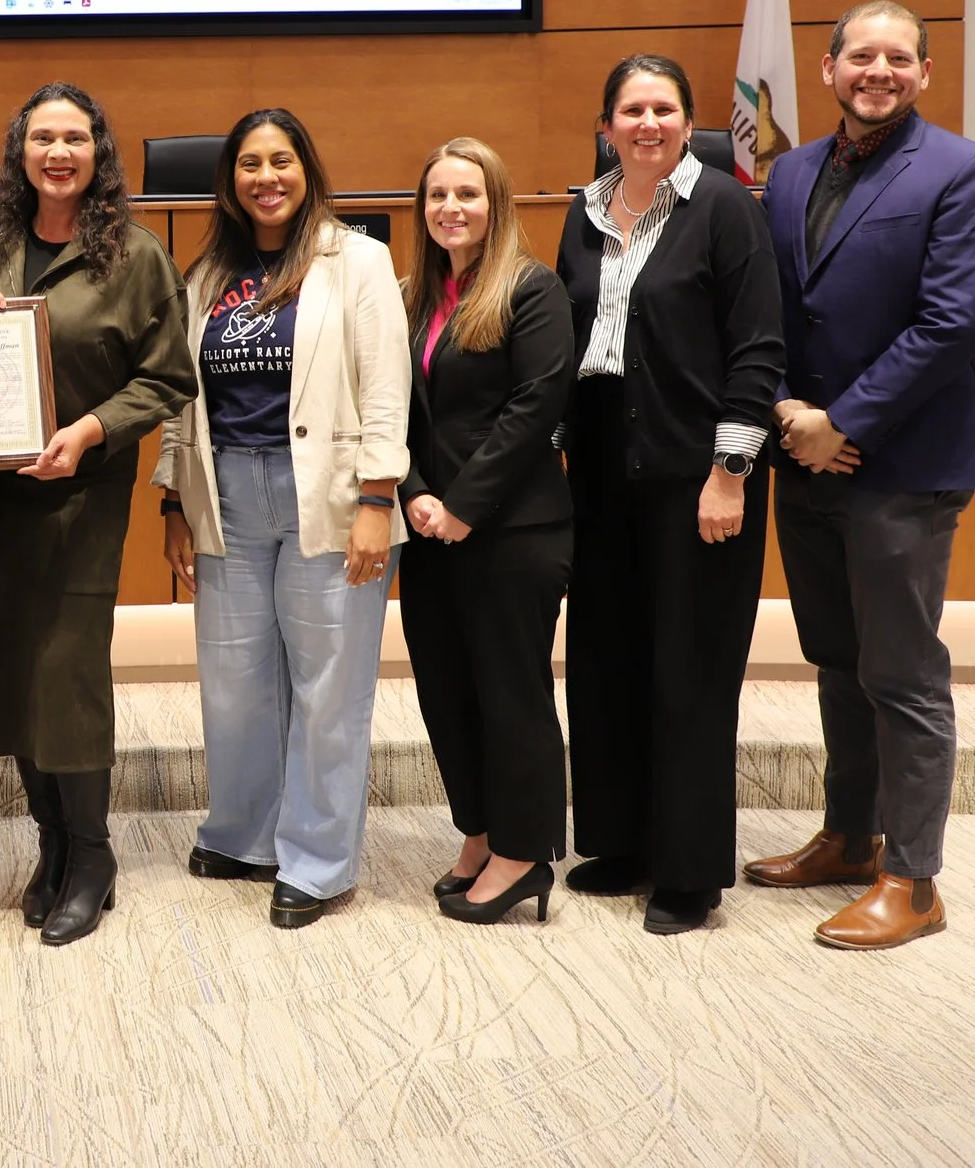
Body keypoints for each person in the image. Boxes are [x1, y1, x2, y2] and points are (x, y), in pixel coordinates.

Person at [747, 0, 975, 949]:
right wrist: (788, 411)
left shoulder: (965, 171)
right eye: (862, 55)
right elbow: (763, 306)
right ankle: (851, 836)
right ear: (828, 68)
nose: (879, 70)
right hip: (806, 458)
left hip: (901, 463)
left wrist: (842, 421)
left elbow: (953, 323)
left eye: (899, 57)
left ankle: (915, 877)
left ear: (924, 73)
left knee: (901, 672)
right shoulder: (787, 175)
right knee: (836, 660)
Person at [0, 82, 198, 945]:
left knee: (70, 674)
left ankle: (92, 853)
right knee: (17, 671)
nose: (58, 153)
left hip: (83, 497)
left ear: (99, 154)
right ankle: (50, 842)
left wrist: (92, 429)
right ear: (21, 152)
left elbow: (168, 377)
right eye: (42, 138)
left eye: (75, 139)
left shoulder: (133, 256)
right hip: (2, 498)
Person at [155, 109, 408, 930]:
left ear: (307, 168)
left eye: (281, 161)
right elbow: (177, 397)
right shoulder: (204, 276)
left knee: (328, 685)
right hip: (225, 492)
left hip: (329, 497)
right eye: (249, 164)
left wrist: (377, 499)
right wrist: (173, 500)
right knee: (234, 681)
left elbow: (384, 388)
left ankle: (320, 860)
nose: (266, 177)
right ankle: (244, 832)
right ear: (230, 180)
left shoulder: (358, 260)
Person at [557, 57, 786, 935]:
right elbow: (568, 337)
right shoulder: (584, 211)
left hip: (700, 471)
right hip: (605, 466)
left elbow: (759, 348)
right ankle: (623, 842)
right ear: (606, 122)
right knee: (608, 657)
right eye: (630, 109)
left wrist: (731, 472)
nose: (646, 122)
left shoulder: (726, 209)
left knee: (690, 670)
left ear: (688, 121)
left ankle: (689, 873)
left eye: (663, 108)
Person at [395, 138, 576, 927]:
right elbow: (387, 410)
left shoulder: (533, 291)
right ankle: (478, 831)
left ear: (495, 204)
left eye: (467, 193)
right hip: (429, 530)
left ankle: (525, 850)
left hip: (511, 531)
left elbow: (534, 408)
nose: (451, 209)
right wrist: (412, 493)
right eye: (437, 195)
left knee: (511, 694)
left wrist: (461, 505)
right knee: (445, 692)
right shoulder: (412, 298)